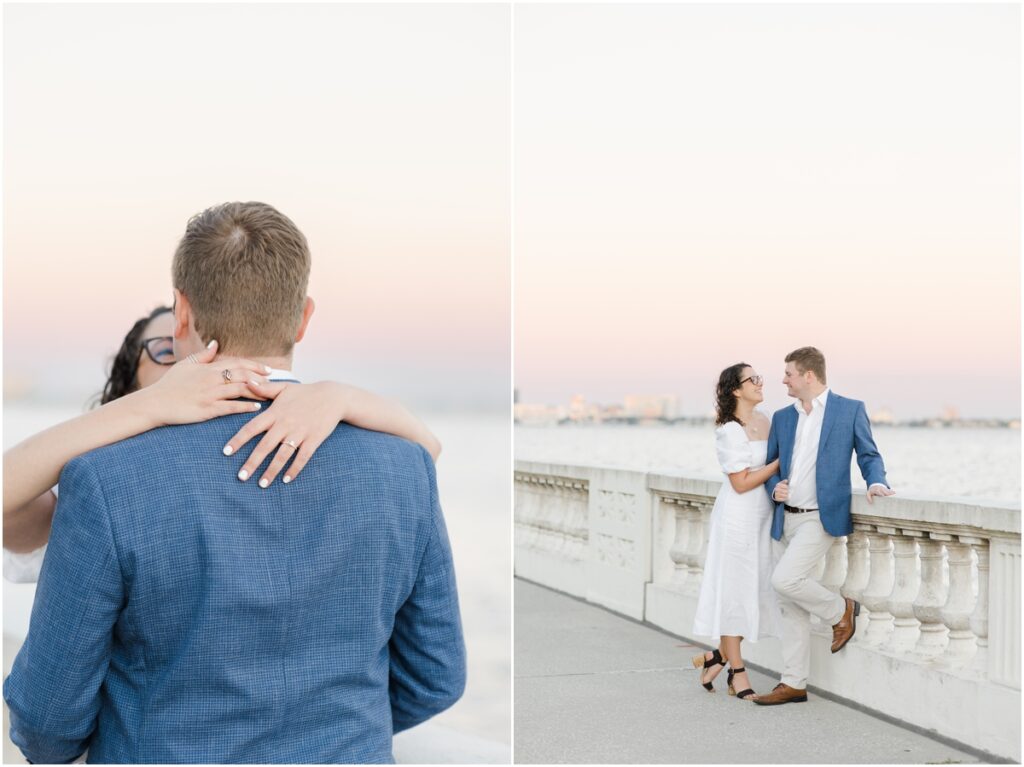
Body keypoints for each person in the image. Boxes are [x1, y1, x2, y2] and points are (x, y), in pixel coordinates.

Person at [4, 201, 466, 763]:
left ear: (181, 315)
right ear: (302, 317)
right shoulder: (403, 467)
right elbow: (436, 675)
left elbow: (47, 718)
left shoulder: (105, 478)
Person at [3, 306, 442, 584]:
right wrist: (151, 405)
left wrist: (343, 395)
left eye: (201, 351)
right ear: (130, 373)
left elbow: (424, 453)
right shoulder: (101, 479)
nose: (189, 367)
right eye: (163, 351)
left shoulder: (275, 437)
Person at [754, 346, 894, 706]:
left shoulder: (849, 410)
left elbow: (868, 453)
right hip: (785, 517)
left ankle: (840, 610)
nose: (783, 380)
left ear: (808, 376)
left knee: (785, 580)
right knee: (790, 604)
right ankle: (793, 683)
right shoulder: (783, 417)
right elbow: (772, 466)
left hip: (820, 518)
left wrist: (876, 481)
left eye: (788, 373)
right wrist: (775, 487)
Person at [691, 363, 782, 700]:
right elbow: (741, 482)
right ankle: (737, 672)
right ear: (735, 390)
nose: (760, 383)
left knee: (754, 590)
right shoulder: (730, 430)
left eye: (760, 377)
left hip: (763, 517)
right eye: (752, 379)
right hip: (737, 517)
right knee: (734, 591)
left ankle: (718, 655)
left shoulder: (767, 418)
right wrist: (777, 464)